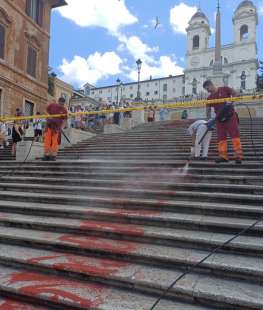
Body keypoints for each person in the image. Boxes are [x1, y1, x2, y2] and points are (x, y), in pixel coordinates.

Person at [203, 80, 243, 164]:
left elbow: (235, 93)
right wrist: (209, 119)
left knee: (235, 136)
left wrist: (231, 102)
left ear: (211, 85)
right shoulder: (209, 98)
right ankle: (223, 156)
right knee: (221, 138)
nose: (207, 91)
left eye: (207, 88)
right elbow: (208, 110)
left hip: (230, 116)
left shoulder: (225, 89)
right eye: (206, 90)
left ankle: (238, 156)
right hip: (219, 119)